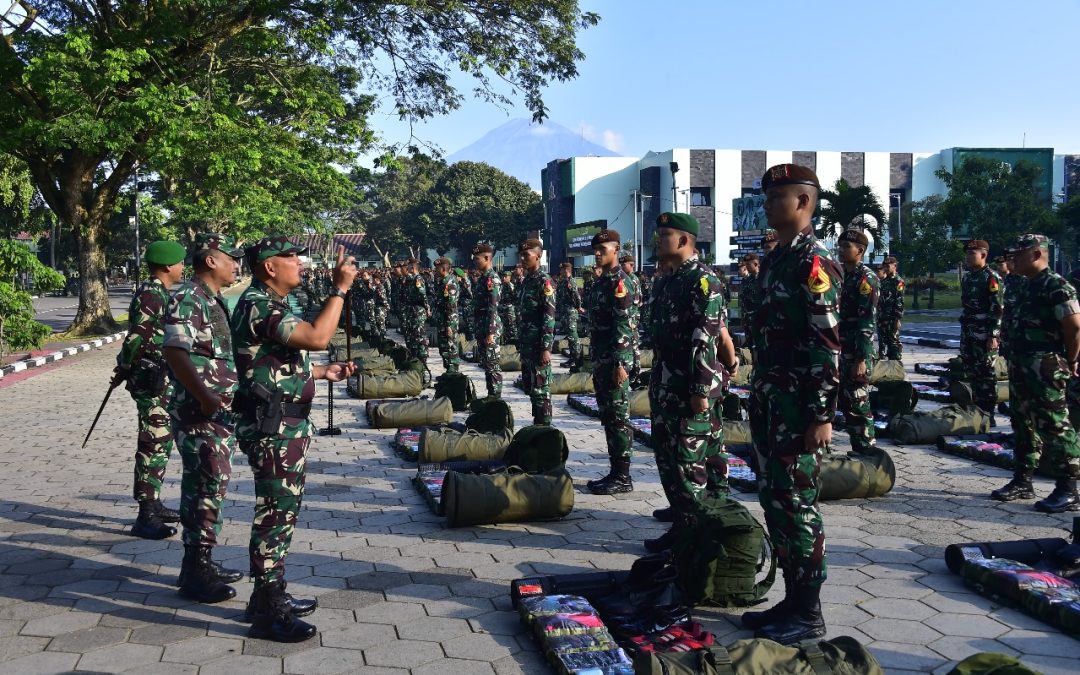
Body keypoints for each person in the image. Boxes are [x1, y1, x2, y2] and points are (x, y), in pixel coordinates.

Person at [231, 239, 357, 641]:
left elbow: (279, 361)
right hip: (273, 429)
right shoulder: (259, 304)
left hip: (285, 424)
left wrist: (321, 373)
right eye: (290, 257)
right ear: (270, 267)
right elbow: (318, 336)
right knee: (275, 515)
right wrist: (339, 289)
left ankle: (268, 596)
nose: (299, 263)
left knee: (282, 512)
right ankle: (269, 611)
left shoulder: (271, 303)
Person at [739, 164, 841, 644]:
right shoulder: (780, 258)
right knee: (776, 499)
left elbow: (826, 342)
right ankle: (791, 599)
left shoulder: (813, 262)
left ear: (803, 202)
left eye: (777, 196)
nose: (768, 204)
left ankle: (808, 610)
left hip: (799, 407)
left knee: (797, 503)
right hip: (772, 399)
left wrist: (822, 414)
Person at [162, 233, 245, 604]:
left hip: (214, 412)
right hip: (200, 413)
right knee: (207, 485)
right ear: (211, 260)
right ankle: (197, 572)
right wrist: (206, 397)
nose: (236, 264)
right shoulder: (189, 297)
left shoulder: (212, 299)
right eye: (231, 258)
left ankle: (200, 562)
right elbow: (175, 351)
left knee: (208, 485)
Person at [647, 212, 736, 552]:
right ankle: (684, 525)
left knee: (690, 461)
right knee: (669, 459)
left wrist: (700, 388)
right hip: (667, 382)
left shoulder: (703, 280)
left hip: (690, 387)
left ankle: (699, 536)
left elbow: (706, 336)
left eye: (665, 234)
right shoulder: (668, 279)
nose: (659, 240)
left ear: (684, 240)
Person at [990, 234, 1080, 511]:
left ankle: (1069, 488)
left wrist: (1071, 358)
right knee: (1022, 423)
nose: (1012, 259)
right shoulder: (1024, 285)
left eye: (1019, 254)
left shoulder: (1057, 286)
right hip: (1021, 366)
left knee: (1054, 424)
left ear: (1037, 254)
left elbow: (1074, 326)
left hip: (1046, 368)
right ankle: (1023, 480)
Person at [115, 239, 186, 540]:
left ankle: (154, 504)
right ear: (168, 266)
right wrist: (125, 368)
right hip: (152, 379)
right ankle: (145, 515)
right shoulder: (151, 295)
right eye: (180, 262)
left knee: (161, 442)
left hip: (161, 379)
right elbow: (136, 339)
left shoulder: (158, 292)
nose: (183, 267)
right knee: (152, 442)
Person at [586, 231, 636, 495]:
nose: (597, 253)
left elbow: (623, 326)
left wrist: (620, 364)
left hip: (615, 361)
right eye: (595, 249)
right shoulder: (602, 281)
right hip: (602, 359)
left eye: (602, 248)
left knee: (618, 417)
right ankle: (615, 472)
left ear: (615, 249)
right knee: (608, 416)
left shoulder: (620, 282)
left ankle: (623, 477)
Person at [836, 229, 879, 456]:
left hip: (855, 349)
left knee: (858, 403)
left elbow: (866, 322)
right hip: (839, 347)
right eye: (840, 246)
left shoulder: (867, 279)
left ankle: (867, 453)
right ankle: (858, 451)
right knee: (845, 402)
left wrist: (861, 358)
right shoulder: (841, 275)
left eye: (846, 247)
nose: (841, 250)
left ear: (860, 251)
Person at [960, 239, 1004, 424]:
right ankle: (977, 411)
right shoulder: (968, 277)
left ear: (983, 255)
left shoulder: (991, 277)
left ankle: (988, 414)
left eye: (972, 253)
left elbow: (998, 308)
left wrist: (993, 334)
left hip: (985, 332)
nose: (968, 257)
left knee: (986, 373)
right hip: (969, 330)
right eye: (968, 253)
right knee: (971, 371)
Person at [517, 239, 556, 425]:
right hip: (527, 344)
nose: (523, 258)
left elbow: (549, 316)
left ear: (538, 256)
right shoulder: (526, 281)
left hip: (539, 345)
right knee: (532, 387)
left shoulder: (544, 281)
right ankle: (538, 423)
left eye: (527, 255)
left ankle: (545, 428)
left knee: (541, 389)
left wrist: (546, 348)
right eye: (521, 255)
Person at [472, 243, 503, 398]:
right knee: (486, 363)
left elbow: (493, 306)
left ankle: (496, 398)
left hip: (489, 328)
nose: (475, 261)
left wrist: (490, 332)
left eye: (477, 259)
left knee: (492, 365)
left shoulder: (492, 279)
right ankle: (491, 396)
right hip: (482, 326)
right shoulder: (483, 278)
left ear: (487, 258)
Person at [433, 257, 462, 373]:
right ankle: (449, 372)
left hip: (449, 320)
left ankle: (453, 372)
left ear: (443, 269)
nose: (435, 270)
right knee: (444, 348)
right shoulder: (444, 281)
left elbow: (450, 304)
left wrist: (449, 325)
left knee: (450, 347)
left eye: (437, 268)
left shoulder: (450, 282)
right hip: (443, 320)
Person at [876, 256, 905, 360]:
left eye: (888, 266)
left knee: (893, 344)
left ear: (894, 266)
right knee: (881, 344)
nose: (885, 268)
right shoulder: (883, 280)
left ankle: (896, 367)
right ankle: (882, 368)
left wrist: (897, 319)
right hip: (881, 317)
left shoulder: (898, 281)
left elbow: (899, 301)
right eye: (884, 266)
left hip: (892, 318)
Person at [555, 262, 583, 367]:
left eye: (562, 269)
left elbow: (576, 297)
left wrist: (577, 307)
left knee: (573, 337)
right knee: (570, 337)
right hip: (564, 313)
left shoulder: (571, 281)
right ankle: (572, 358)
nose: (560, 271)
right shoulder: (563, 282)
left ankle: (578, 360)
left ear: (566, 270)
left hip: (570, 313)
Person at [403, 259, 430, 365]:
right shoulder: (411, 279)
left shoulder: (418, 279)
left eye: (408, 267)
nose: (407, 269)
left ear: (413, 268)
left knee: (420, 335)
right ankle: (415, 358)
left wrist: (427, 307)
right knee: (413, 335)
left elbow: (423, 294)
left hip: (418, 310)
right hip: (412, 309)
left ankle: (423, 359)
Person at [620, 253, 642, 378]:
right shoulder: (624, 279)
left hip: (632, 318)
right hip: (627, 318)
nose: (622, 267)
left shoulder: (633, 279)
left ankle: (636, 372)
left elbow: (636, 302)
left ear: (631, 265)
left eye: (624, 264)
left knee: (634, 345)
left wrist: (633, 320)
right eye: (621, 264)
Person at [738, 253, 763, 351]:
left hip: (759, 317)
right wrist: (743, 316)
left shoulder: (762, 279)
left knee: (760, 343)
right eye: (746, 264)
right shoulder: (746, 280)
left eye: (749, 264)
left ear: (756, 264)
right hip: (748, 318)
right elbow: (743, 299)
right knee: (749, 344)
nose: (746, 267)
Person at [499, 269, 519, 347]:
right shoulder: (501, 286)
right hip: (502, 308)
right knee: (503, 327)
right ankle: (505, 343)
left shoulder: (511, 286)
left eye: (505, 277)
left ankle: (514, 344)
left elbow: (515, 298)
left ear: (509, 277)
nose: (503, 278)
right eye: (503, 276)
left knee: (512, 326)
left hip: (509, 309)